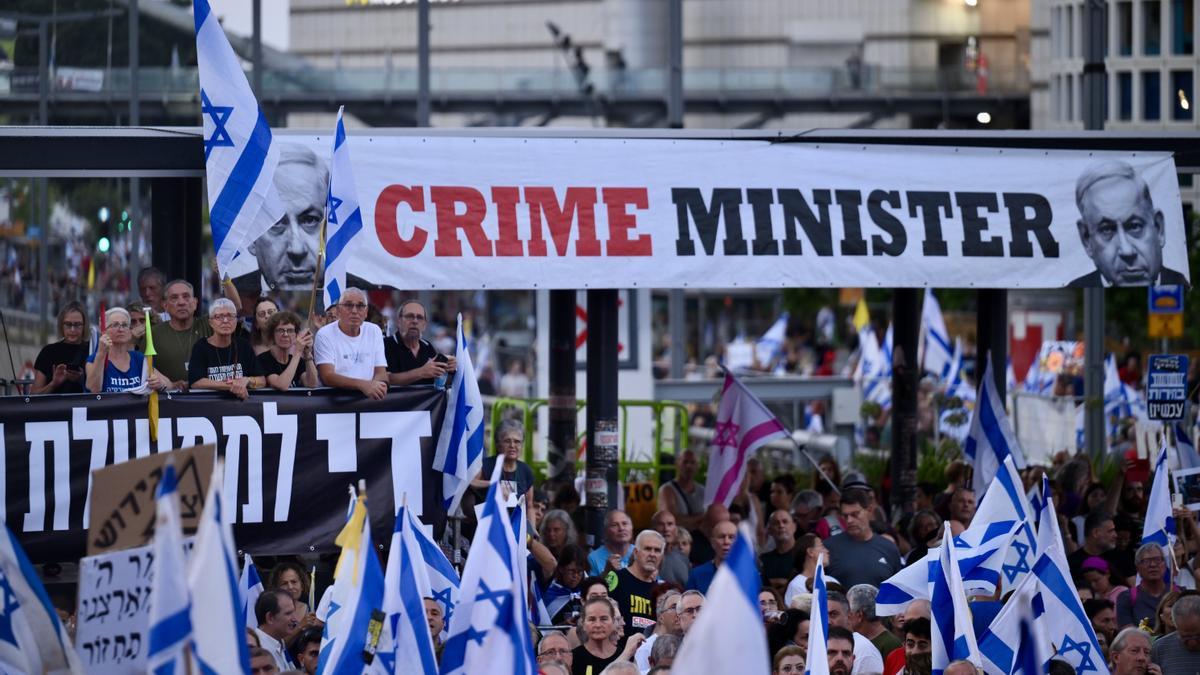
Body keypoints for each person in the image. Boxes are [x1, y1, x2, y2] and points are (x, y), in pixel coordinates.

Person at [1069, 160, 1186, 288]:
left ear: (1159, 229)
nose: (1127, 251)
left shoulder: (1188, 289)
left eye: (1135, 226)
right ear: (1086, 239)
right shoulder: (1073, 293)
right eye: (1107, 230)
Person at [248, 143, 327, 291]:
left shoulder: (356, 293)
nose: (297, 249)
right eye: (276, 223)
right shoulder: (232, 294)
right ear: (250, 237)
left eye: (310, 220)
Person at [313, 287, 389, 399]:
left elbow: (381, 373)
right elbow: (327, 376)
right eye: (348, 305)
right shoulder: (325, 334)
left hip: (367, 401)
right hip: (334, 403)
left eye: (360, 306)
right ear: (338, 310)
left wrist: (375, 387)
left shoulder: (374, 331)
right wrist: (363, 385)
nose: (354, 311)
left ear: (366, 312)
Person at [188, 299, 265, 399]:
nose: (225, 321)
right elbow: (196, 382)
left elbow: (262, 381)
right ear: (210, 322)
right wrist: (232, 385)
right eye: (219, 317)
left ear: (236, 321)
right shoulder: (201, 347)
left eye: (230, 316)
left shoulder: (243, 345)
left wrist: (247, 380)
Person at [825, 489, 902, 589]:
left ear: (869, 511)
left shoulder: (889, 548)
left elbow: (899, 591)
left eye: (855, 514)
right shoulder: (828, 548)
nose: (849, 520)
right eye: (845, 516)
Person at [86, 307, 169, 393]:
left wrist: (160, 384)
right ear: (104, 330)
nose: (121, 329)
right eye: (115, 325)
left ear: (129, 331)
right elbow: (94, 388)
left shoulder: (138, 358)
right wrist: (101, 353)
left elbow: (168, 384)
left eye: (125, 325)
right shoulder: (94, 359)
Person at [155, 279, 213, 389]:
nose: (181, 302)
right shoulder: (154, 333)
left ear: (195, 302)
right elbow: (144, 368)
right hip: (169, 400)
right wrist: (170, 384)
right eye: (174, 298)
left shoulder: (210, 324)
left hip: (208, 398)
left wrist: (225, 280)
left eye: (186, 296)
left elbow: (235, 308)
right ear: (165, 305)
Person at [606, 530, 666, 633]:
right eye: (647, 549)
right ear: (635, 553)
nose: (652, 554)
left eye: (657, 550)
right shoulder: (615, 577)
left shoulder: (661, 591)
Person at [385, 299, 455, 386]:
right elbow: (385, 378)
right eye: (409, 316)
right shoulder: (386, 345)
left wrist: (448, 369)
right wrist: (421, 372)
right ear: (398, 321)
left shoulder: (427, 346)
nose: (415, 321)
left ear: (424, 325)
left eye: (419, 317)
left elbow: (438, 382)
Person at [471, 419, 535, 512]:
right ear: (497, 444)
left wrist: (532, 527)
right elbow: (471, 483)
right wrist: (493, 484)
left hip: (515, 524)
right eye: (507, 441)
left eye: (517, 442)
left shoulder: (526, 470)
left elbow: (529, 506)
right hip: (489, 522)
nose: (512, 445)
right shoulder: (486, 464)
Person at [572, 597, 643, 675]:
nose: (598, 625)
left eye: (604, 619)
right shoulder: (573, 658)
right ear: (583, 624)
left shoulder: (627, 656)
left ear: (613, 621)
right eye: (592, 619)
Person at [31, 301, 89, 394]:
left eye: (77, 325)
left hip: (84, 407)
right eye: (68, 324)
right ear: (61, 325)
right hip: (54, 407)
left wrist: (82, 379)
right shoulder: (48, 352)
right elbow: (33, 395)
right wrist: (53, 384)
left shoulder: (92, 350)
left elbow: (101, 391)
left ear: (84, 326)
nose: (72, 329)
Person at [827, 590, 884, 675]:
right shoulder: (815, 644)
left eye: (833, 614)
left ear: (849, 616)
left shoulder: (863, 650)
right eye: (823, 615)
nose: (828, 621)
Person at [258, 311, 319, 390]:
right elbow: (281, 385)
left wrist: (307, 353)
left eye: (290, 331)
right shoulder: (263, 360)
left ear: (296, 335)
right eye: (280, 330)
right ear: (272, 334)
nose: (285, 334)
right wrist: (298, 352)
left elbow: (312, 384)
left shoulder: (298, 361)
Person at [1116, 543, 1171, 629]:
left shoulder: (1179, 593)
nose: (1153, 565)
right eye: (1146, 561)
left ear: (1165, 564)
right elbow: (1128, 633)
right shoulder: (1126, 598)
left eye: (1157, 560)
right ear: (1138, 568)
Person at [848, 584, 902, 659]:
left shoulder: (891, 645)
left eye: (849, 611)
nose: (847, 616)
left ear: (859, 615)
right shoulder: (855, 639)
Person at [1068, 511, 1121, 586]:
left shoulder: (1120, 558)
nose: (1115, 535)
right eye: (1110, 531)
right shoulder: (1071, 564)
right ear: (1096, 533)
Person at [657, 450, 705, 531]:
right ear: (677, 464)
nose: (689, 466)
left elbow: (709, 520)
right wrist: (701, 517)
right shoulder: (667, 490)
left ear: (697, 466)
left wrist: (687, 520)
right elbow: (672, 521)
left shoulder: (703, 490)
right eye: (685, 462)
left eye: (692, 462)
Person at [685, 520, 736, 594]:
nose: (726, 541)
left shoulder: (749, 574)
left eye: (731, 537)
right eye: (721, 537)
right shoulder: (697, 574)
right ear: (712, 543)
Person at [253, 590, 299, 672]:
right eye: (288, 613)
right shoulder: (256, 648)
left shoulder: (279, 643)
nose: (295, 619)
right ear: (270, 617)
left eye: (293, 612)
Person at [1151, 594, 1200, 671]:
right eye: (1186, 637)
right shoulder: (1160, 648)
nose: (1192, 642)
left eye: (1198, 636)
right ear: (1176, 625)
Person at [784, 534, 833, 607]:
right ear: (810, 552)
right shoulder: (797, 585)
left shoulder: (831, 580)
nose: (827, 551)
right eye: (822, 546)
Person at [761, 509, 800, 594]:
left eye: (785, 522)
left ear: (794, 526)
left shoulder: (804, 555)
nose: (781, 525)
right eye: (776, 523)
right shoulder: (763, 560)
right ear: (770, 530)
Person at [588, 510, 635, 576]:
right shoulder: (594, 558)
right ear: (605, 531)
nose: (621, 528)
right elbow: (592, 585)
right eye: (614, 525)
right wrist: (607, 572)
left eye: (625, 523)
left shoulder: (641, 553)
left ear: (632, 527)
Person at [651, 510, 691, 587]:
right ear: (653, 529)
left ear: (676, 529)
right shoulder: (645, 557)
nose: (666, 529)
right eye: (661, 524)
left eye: (670, 524)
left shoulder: (683, 558)